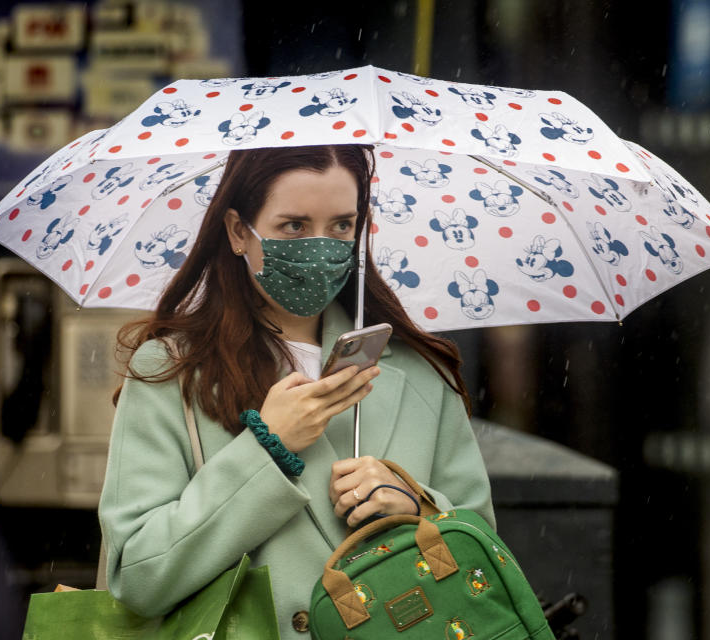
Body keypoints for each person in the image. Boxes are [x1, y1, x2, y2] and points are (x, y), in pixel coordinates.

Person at [98, 144, 494, 637]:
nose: (321, 246)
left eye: (341, 226)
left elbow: (483, 555)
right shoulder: (172, 371)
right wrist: (268, 451)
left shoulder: (420, 373)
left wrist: (417, 506)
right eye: (294, 227)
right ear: (239, 231)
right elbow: (138, 576)